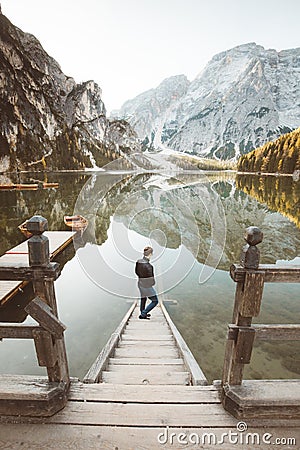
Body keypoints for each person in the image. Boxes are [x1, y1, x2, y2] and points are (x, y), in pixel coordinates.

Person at [135, 246, 159, 319]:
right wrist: (152, 284)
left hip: (140, 283)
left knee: (143, 298)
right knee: (155, 301)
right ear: (150, 254)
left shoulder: (138, 261)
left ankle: (143, 312)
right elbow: (152, 280)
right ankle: (143, 314)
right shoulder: (149, 266)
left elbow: (136, 272)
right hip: (146, 286)